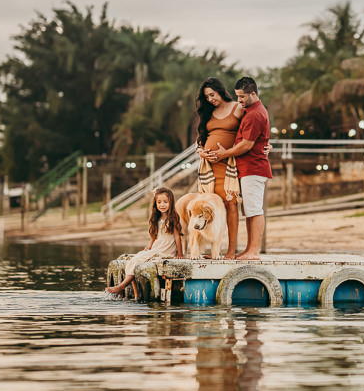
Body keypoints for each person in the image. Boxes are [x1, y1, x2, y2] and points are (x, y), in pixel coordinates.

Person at [208, 76, 272, 260]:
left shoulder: (255, 114)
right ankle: (249, 249)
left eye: (242, 97)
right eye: (237, 96)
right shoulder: (250, 110)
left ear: (253, 93)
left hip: (254, 168)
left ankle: (254, 250)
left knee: (255, 210)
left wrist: (224, 154)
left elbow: (247, 145)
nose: (239, 101)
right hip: (247, 168)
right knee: (250, 211)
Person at [195, 77, 244, 258]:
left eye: (212, 94)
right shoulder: (208, 112)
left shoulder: (236, 107)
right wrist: (201, 152)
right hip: (209, 168)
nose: (210, 99)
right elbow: (200, 138)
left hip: (228, 165)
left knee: (230, 206)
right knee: (211, 208)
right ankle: (215, 251)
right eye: (206, 97)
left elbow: (252, 128)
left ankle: (231, 251)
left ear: (220, 91)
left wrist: (266, 144)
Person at [106, 186, 183, 298]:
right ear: (155, 204)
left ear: (171, 202)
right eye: (159, 202)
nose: (162, 205)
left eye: (165, 202)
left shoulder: (173, 218)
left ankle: (121, 286)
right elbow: (154, 235)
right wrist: (149, 246)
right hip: (156, 247)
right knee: (134, 260)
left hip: (166, 249)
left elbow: (177, 237)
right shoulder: (156, 218)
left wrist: (179, 254)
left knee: (139, 260)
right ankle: (136, 294)